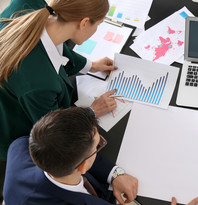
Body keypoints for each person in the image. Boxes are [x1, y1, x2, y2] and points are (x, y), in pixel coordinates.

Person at [4, 107, 198, 205]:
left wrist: (115, 173)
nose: (100, 144)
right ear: (81, 166)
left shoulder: (19, 150)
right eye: (98, 145)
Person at [0, 0, 118, 163]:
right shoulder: (40, 84)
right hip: (15, 128)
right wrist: (91, 111)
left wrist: (91, 65)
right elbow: (55, 129)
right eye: (98, 24)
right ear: (84, 23)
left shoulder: (31, 5)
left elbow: (54, 45)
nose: (96, 29)